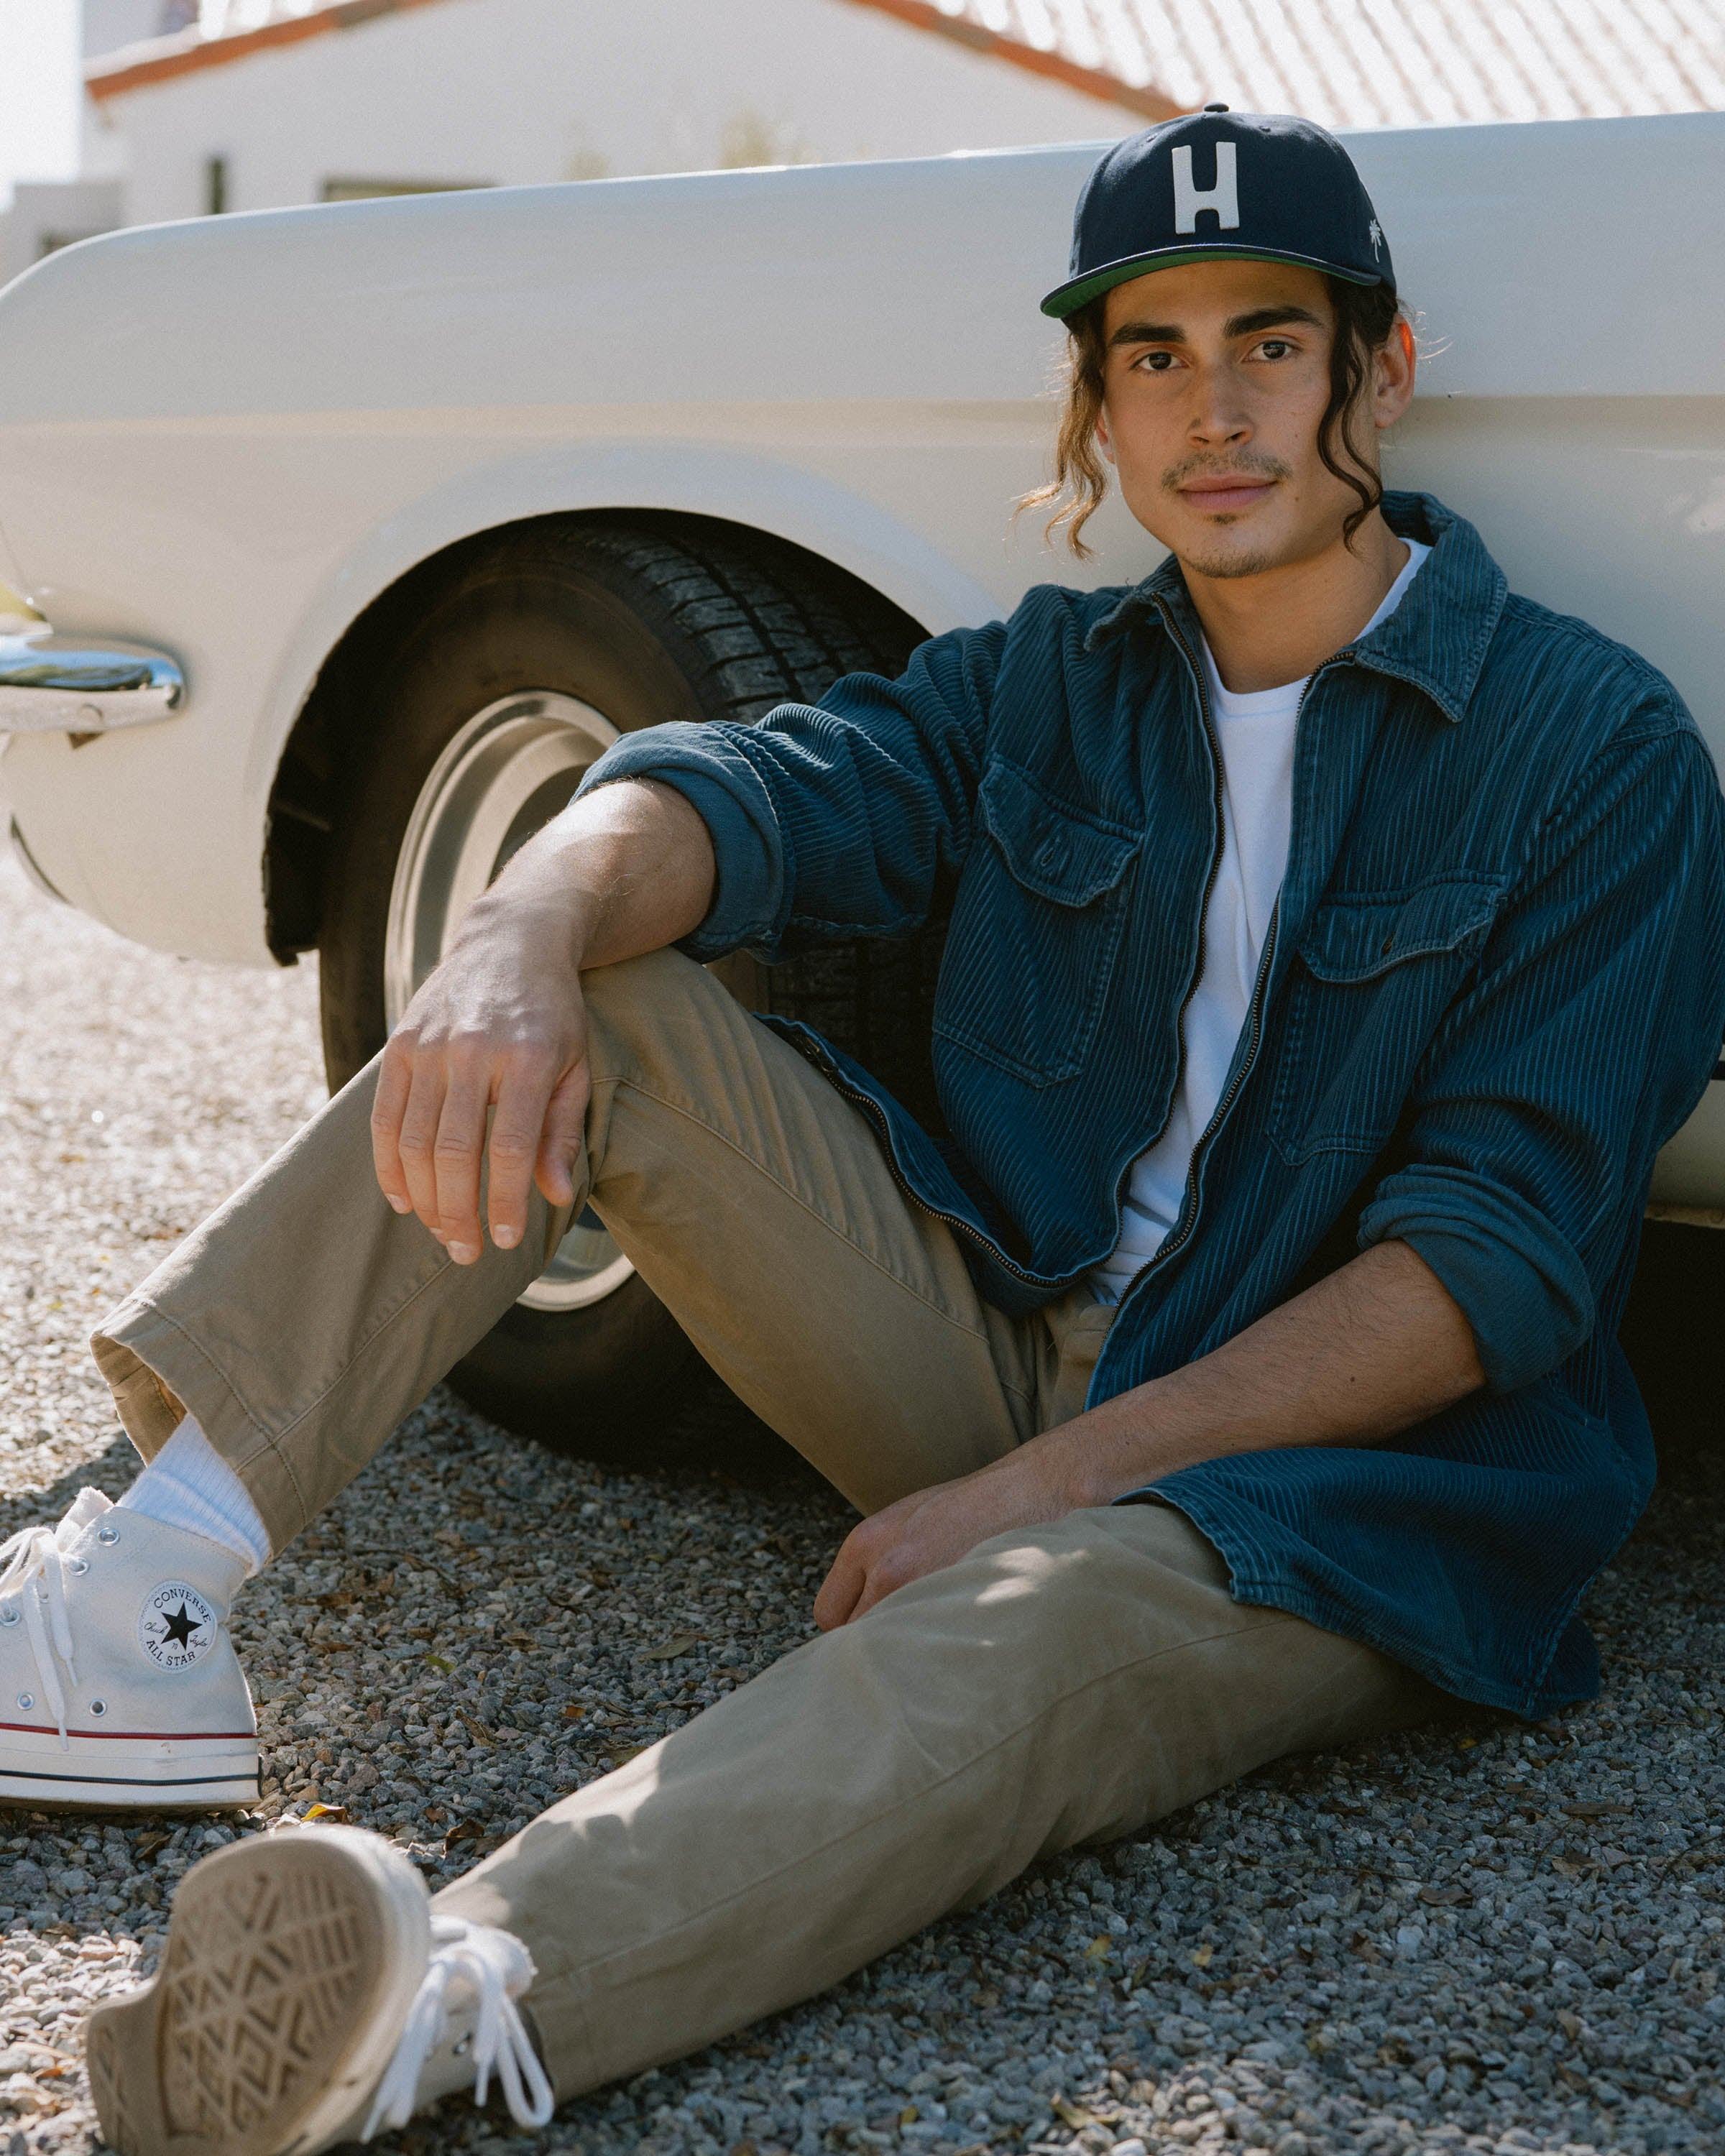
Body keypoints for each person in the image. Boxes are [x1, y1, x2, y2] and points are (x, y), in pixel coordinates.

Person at [1, 108, 1718, 2156]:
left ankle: (451, 1997)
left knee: (1023, 1637)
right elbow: (748, 792)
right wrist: (515, 928)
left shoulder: (1592, 747)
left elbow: (1488, 1271)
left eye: (1271, 338)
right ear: (1095, 402)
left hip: (1341, 1484)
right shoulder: (1058, 683)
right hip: (1003, 1346)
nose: (1213, 406)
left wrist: (1048, 1494)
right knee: (591, 1005)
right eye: (1150, 356)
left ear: (1384, 365)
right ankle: (136, 1606)